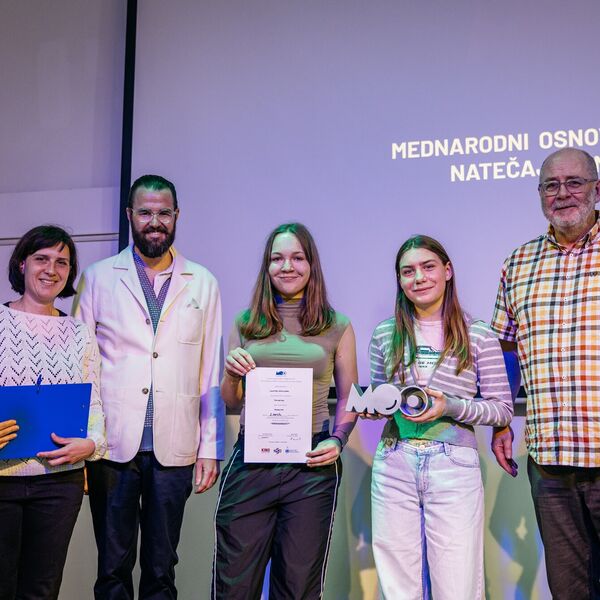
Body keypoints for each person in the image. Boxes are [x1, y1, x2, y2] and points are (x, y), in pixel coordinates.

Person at [72, 174, 224, 599]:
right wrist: (82, 441)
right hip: (110, 447)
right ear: (129, 215)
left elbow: (210, 371)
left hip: (175, 446)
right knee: (112, 567)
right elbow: (81, 368)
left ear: (176, 216)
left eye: (163, 213)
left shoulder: (203, 282)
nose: (155, 222)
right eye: (145, 213)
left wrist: (210, 448)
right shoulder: (98, 278)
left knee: (162, 568)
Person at [213, 222, 358, 600]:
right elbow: (232, 401)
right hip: (251, 459)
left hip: (311, 464)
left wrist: (338, 440)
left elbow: (348, 396)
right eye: (277, 258)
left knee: (298, 586)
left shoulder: (337, 325)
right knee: (234, 585)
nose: (287, 266)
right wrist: (231, 374)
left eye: (297, 258)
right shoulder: (245, 323)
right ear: (267, 266)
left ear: (311, 264)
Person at [369, 235, 513, 600]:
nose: (418, 277)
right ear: (399, 280)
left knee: (457, 585)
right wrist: (373, 406)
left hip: (453, 464)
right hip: (394, 462)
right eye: (408, 271)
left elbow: (501, 408)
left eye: (428, 267)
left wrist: (450, 405)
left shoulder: (478, 334)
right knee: (398, 587)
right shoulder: (385, 333)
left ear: (447, 271)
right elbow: (381, 397)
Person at [491, 147, 600, 600]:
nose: (562, 193)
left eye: (574, 182)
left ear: (597, 190)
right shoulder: (518, 263)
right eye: (551, 185)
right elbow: (505, 351)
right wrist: (501, 420)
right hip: (550, 462)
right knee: (569, 590)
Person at [0, 225, 105, 600]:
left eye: (62, 262)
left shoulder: (80, 333)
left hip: (59, 484)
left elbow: (95, 405)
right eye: (42, 258)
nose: (51, 269)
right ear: (22, 264)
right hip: (2, 480)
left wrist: (91, 444)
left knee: (42, 590)